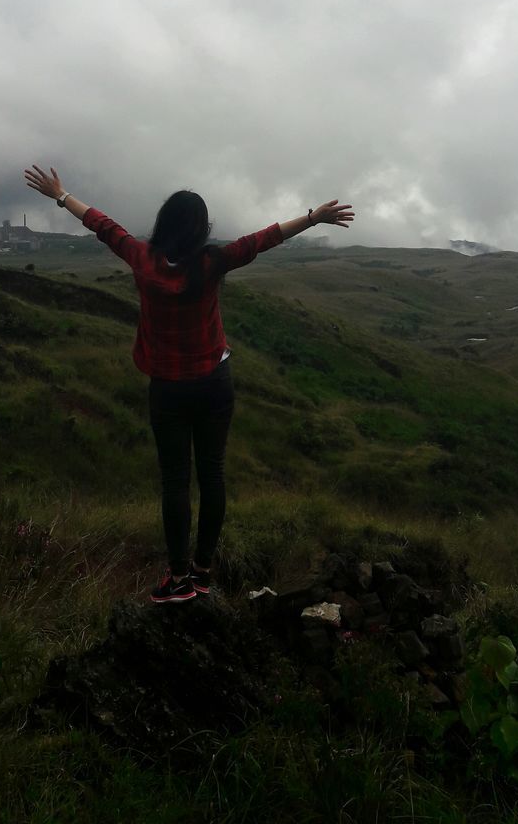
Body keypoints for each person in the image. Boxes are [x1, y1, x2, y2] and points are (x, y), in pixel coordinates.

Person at [24, 164, 355, 603]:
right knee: (212, 474)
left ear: (163, 224)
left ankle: (178, 578)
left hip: (168, 388)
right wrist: (313, 217)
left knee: (175, 481)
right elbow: (264, 238)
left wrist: (61, 196)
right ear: (201, 230)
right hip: (214, 382)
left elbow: (104, 226)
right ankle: (202, 570)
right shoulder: (211, 262)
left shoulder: (143, 260)